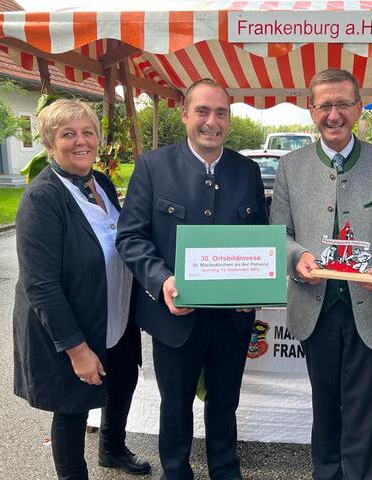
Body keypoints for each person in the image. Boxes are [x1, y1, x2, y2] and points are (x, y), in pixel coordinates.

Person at [116, 78, 267, 480]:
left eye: (221, 112)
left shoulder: (247, 170)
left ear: (229, 119)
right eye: (202, 111)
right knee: (175, 404)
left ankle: (224, 468)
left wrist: (254, 283)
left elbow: (260, 239)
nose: (211, 121)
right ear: (184, 114)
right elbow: (131, 238)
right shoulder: (152, 166)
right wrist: (163, 281)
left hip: (231, 317)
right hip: (173, 315)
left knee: (224, 402)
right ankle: (176, 470)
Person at [270, 69, 372, 479]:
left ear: (359, 108)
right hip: (315, 307)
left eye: (343, 104)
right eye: (325, 105)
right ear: (311, 110)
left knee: (364, 407)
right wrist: (296, 258)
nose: (334, 114)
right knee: (324, 402)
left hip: (367, 307)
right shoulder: (290, 166)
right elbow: (280, 233)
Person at [13, 99, 150, 479]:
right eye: (68, 134)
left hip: (114, 313)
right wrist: (77, 350)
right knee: (72, 407)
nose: (80, 141)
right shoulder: (43, 198)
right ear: (49, 143)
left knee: (123, 382)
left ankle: (112, 449)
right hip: (71, 324)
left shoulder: (100, 182)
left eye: (87, 132)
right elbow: (40, 285)